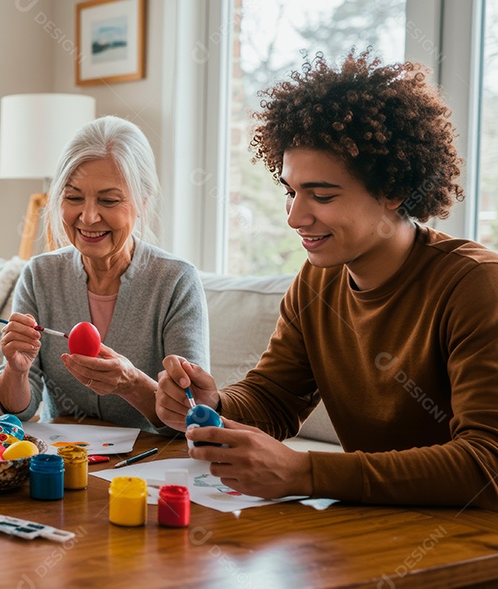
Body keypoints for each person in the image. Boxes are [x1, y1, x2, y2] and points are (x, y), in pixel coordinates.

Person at [157, 51, 498, 509]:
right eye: (291, 191)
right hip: (374, 524)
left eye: (321, 194)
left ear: (393, 190)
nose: (296, 216)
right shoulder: (318, 283)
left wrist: (305, 472)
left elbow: (486, 465)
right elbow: (275, 397)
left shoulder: (476, 286)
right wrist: (215, 404)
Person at [0, 116, 209, 431]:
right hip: (62, 460)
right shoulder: (40, 274)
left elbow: (193, 414)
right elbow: (20, 412)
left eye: (108, 200)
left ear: (142, 203)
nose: (89, 217)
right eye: (74, 197)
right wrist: (16, 369)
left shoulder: (176, 281)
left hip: (148, 465)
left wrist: (131, 383)